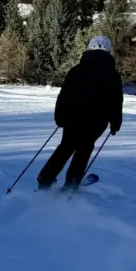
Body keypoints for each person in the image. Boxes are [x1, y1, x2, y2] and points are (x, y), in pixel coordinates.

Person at [38, 35, 124, 189]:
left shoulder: (76, 71)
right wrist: (115, 122)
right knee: (84, 150)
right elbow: (116, 101)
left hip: (73, 118)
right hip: (97, 121)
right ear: (108, 51)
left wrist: (60, 116)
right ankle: (71, 183)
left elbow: (64, 95)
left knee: (65, 147)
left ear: (89, 49)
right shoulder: (112, 75)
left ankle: (45, 179)